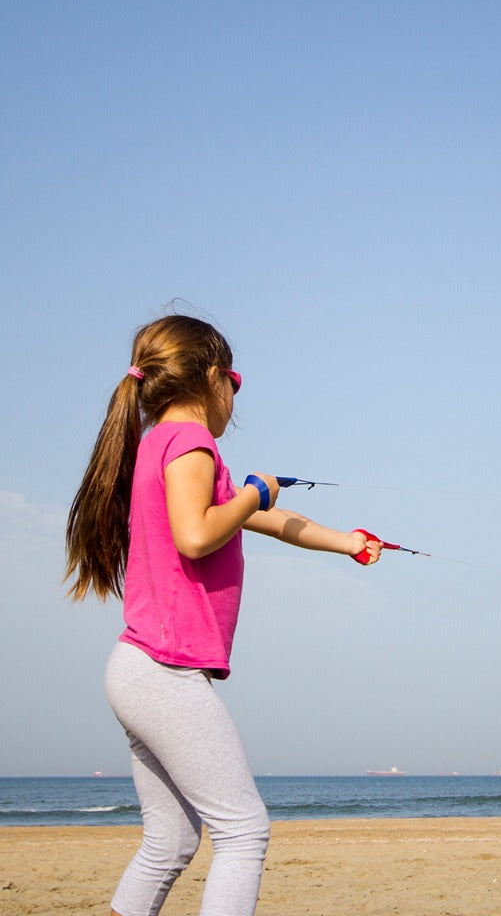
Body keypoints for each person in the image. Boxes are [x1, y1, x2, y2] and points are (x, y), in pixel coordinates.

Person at [64, 314, 382, 916]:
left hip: (138, 669)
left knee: (171, 841)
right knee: (243, 832)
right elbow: (195, 534)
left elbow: (266, 521)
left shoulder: (161, 442)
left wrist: (348, 540)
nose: (236, 394)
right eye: (235, 379)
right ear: (214, 378)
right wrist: (255, 492)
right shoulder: (189, 444)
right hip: (163, 671)